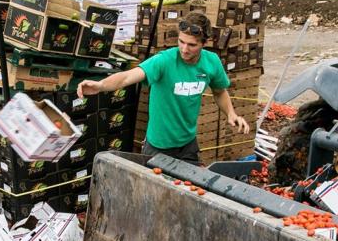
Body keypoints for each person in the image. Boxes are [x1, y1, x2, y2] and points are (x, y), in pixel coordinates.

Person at [76, 12, 250, 165]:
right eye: (181, 41)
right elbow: (128, 76)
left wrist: (231, 113)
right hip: (158, 147)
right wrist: (101, 85)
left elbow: (220, 91)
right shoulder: (164, 61)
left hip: (188, 145)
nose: (184, 49)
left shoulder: (211, 62)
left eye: (192, 45)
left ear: (204, 43)